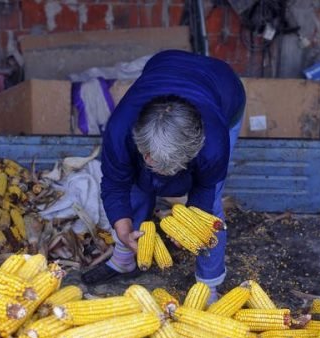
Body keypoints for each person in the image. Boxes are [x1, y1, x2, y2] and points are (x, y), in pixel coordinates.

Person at [81, 49, 246, 303]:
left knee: (211, 210)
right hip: (165, 64)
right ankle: (124, 257)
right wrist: (122, 228)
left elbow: (205, 189)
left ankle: (209, 285)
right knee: (136, 185)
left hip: (224, 86)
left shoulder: (214, 143)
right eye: (152, 163)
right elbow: (115, 183)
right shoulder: (119, 130)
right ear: (142, 148)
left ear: (194, 152)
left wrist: (191, 227)